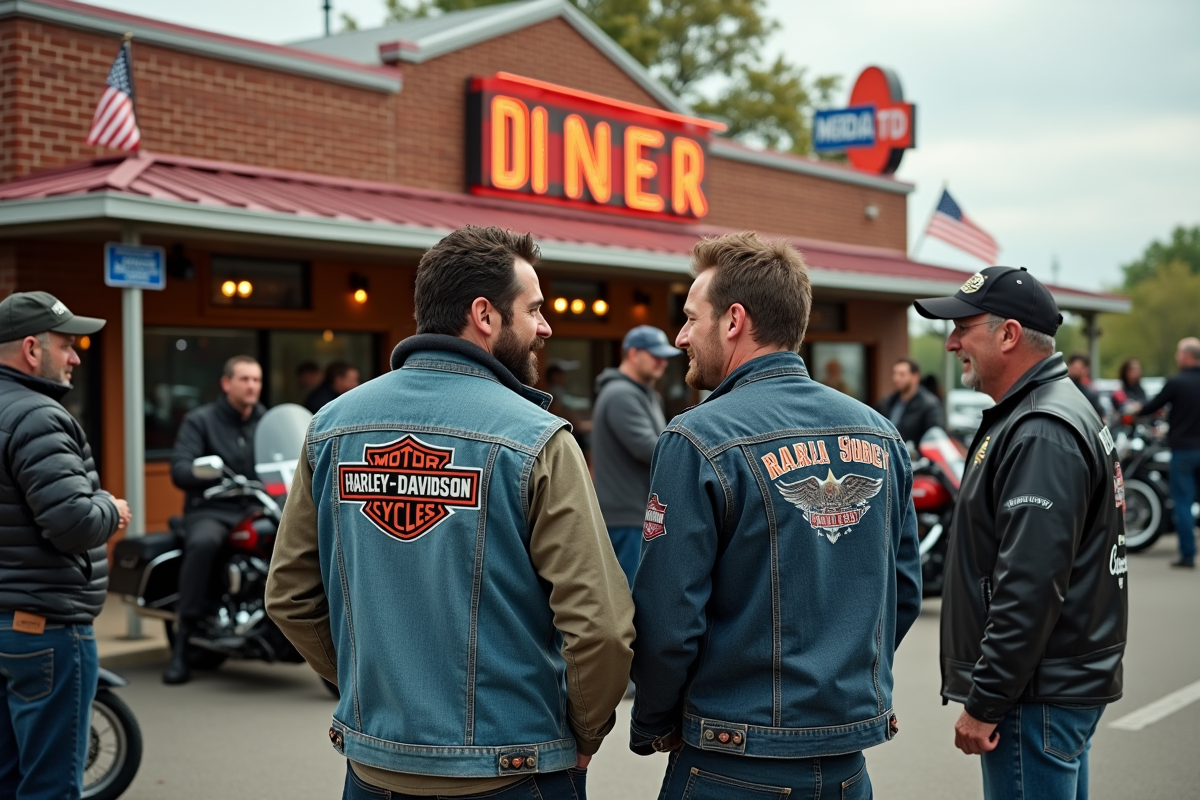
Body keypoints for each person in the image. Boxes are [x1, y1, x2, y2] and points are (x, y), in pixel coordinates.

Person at [266, 226, 634, 800]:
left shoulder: (332, 428)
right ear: (484, 315)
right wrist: (584, 728)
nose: (545, 327)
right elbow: (602, 628)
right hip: (514, 766)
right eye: (534, 310)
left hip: (373, 768)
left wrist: (381, 687)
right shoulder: (537, 439)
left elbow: (289, 595)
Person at [630, 233, 922, 799]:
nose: (681, 336)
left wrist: (654, 719)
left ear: (734, 320)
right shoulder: (879, 433)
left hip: (731, 764)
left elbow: (669, 616)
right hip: (846, 765)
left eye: (691, 318)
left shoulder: (697, 437)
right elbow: (902, 591)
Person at [914, 266, 1127, 799]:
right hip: (1049, 689)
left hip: (1036, 696)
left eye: (963, 326)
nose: (951, 343)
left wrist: (985, 701)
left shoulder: (1040, 430)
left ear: (1008, 334)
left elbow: (1029, 586)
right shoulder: (1040, 414)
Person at [0, 291, 131, 798]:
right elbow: (73, 524)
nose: (77, 357)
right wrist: (110, 509)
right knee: (51, 786)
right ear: (33, 349)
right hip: (44, 628)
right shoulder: (38, 416)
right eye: (67, 344)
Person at [166, 355, 266, 684]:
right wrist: (205, 473)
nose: (252, 386)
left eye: (256, 380)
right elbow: (180, 468)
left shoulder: (264, 420)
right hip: (211, 509)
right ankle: (182, 644)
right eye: (245, 379)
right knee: (204, 543)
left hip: (256, 507)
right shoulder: (201, 420)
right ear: (227, 384)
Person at [591, 325, 682, 585]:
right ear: (633, 354)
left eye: (665, 356)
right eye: (655, 355)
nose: (662, 362)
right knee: (629, 605)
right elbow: (651, 448)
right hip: (625, 519)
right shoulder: (621, 394)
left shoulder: (645, 393)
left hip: (636, 516)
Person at [1138, 337, 1200, 568]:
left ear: (1186, 356)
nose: (1176, 357)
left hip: (1184, 450)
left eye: (1178, 353)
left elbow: (1150, 407)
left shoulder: (1177, 382)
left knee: (1182, 502)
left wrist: (1134, 410)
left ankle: (1187, 555)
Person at [876, 357, 945, 445]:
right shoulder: (887, 402)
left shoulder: (929, 405)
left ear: (915, 377)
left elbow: (934, 439)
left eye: (902, 374)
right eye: (895, 373)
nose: (896, 378)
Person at [1066, 352, 1106, 419]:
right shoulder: (1062, 388)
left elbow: (1100, 415)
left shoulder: (1090, 393)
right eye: (1073, 367)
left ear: (1087, 369)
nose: (1073, 370)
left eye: (1077, 368)